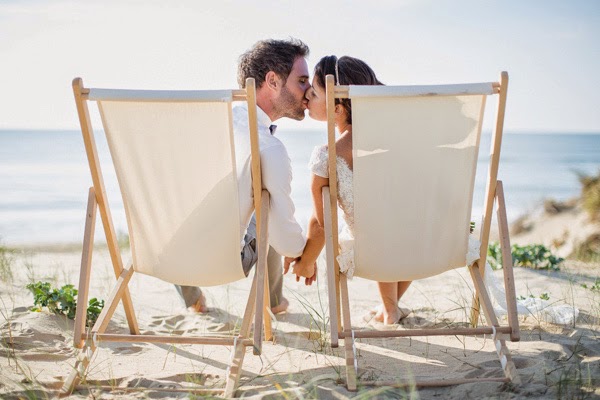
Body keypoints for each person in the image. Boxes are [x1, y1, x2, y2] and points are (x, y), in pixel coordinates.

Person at [177, 38, 312, 314]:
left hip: (169, 255)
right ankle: (273, 302)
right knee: (270, 209)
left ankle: (192, 299)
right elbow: (286, 240)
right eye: (302, 81)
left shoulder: (205, 125)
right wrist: (304, 254)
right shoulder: (267, 147)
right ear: (272, 81)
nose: (309, 91)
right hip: (223, 262)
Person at [286, 55, 412, 324]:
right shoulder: (400, 143)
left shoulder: (328, 156)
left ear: (338, 107)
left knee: (380, 231)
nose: (306, 98)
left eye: (314, 93)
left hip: (375, 250)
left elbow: (322, 224)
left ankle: (389, 310)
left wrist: (306, 261)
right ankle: (390, 306)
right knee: (398, 223)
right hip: (426, 242)